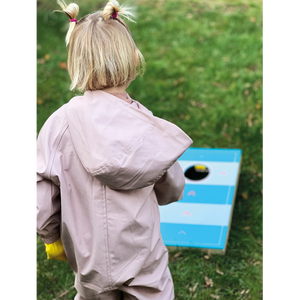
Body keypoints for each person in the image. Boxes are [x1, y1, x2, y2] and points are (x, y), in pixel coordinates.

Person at [34, 0, 193, 299]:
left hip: (87, 257)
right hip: (143, 256)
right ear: (134, 59)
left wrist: (50, 234)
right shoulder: (146, 127)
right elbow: (171, 186)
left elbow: (40, 197)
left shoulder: (58, 125)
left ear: (75, 64)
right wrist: (170, 191)